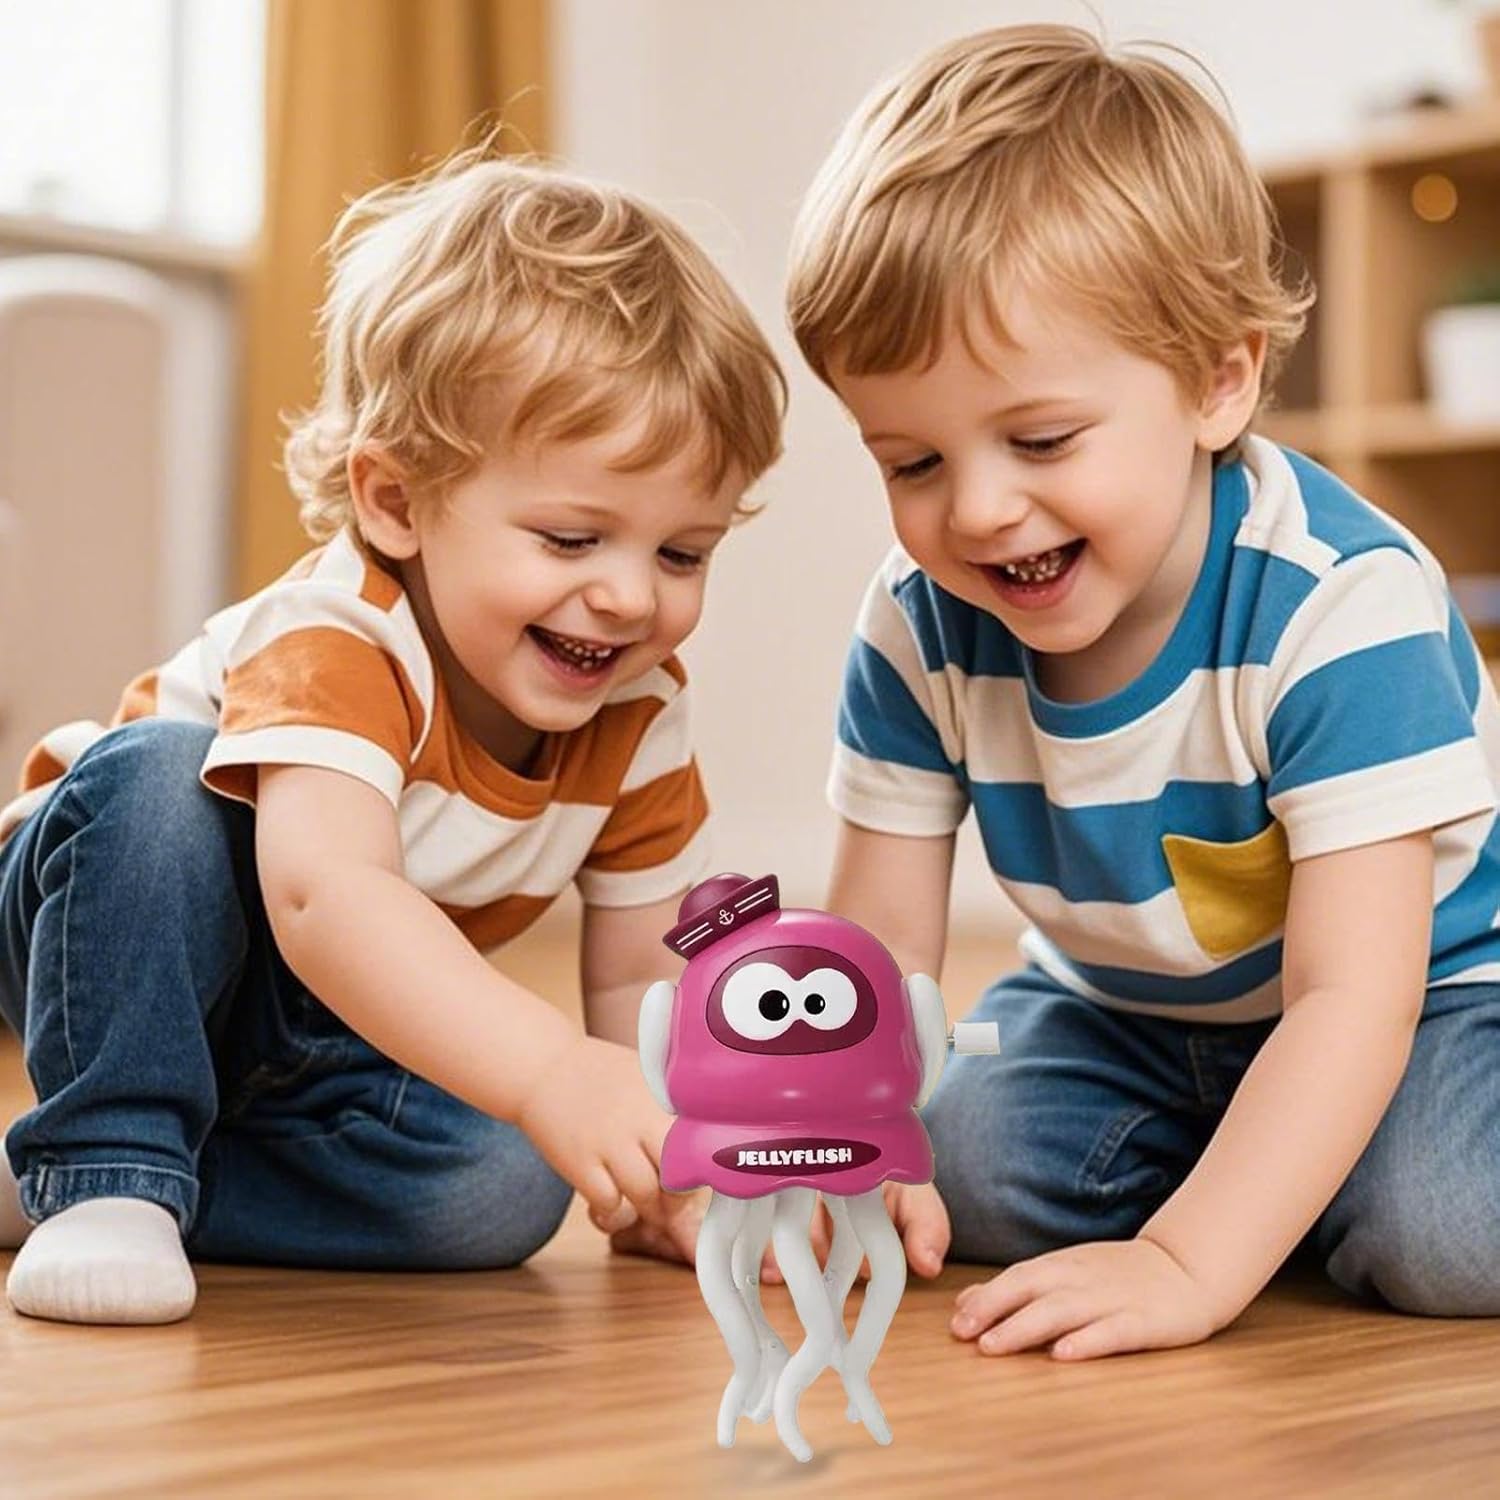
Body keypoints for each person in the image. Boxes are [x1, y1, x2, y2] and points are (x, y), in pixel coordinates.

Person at [786, 23, 1500, 1360]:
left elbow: (1354, 997)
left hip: (1435, 1002)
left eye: (1041, 439)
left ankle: (1276, 1183)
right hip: (1121, 1011)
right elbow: (878, 946)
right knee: (961, 1161)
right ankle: (1281, 1175)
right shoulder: (918, 621)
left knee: (1448, 1230)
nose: (977, 511)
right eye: (912, 462)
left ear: (1219, 382)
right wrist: (842, 1140)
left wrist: (1186, 1263)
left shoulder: (1337, 606)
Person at [0, 142, 785, 1324]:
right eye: (573, 540)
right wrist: (549, 1067)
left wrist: (665, 1157)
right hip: (111, 934)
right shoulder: (338, 639)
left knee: (504, 1184)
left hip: (328, 1031)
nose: (631, 597)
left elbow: (643, 973)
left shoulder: (638, 715)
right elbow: (326, 897)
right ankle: (107, 1164)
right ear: (397, 501)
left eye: (682, 553)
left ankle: (68, 1186)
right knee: (162, 783)